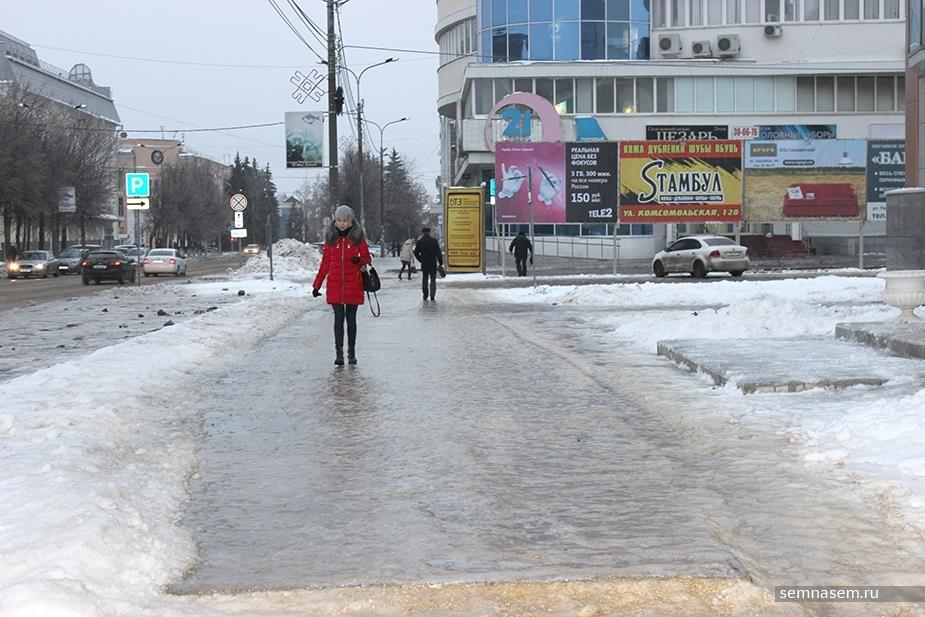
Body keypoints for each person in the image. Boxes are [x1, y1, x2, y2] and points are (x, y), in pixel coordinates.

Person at [312, 205, 372, 366]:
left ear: (351, 221)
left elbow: (367, 258)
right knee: (338, 319)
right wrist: (317, 285)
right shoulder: (331, 238)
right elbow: (325, 263)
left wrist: (359, 260)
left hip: (354, 283)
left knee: (351, 319)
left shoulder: (358, 237)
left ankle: (351, 352)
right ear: (335, 220)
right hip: (335, 285)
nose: (342, 223)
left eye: (345, 220)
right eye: (339, 220)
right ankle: (339, 353)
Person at [413, 227, 444, 302]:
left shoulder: (420, 241)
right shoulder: (434, 241)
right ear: (429, 232)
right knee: (433, 280)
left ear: (423, 233)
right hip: (433, 263)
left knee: (425, 279)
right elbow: (438, 253)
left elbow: (416, 252)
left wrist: (420, 259)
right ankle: (432, 296)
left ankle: (425, 295)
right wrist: (440, 263)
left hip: (424, 263)